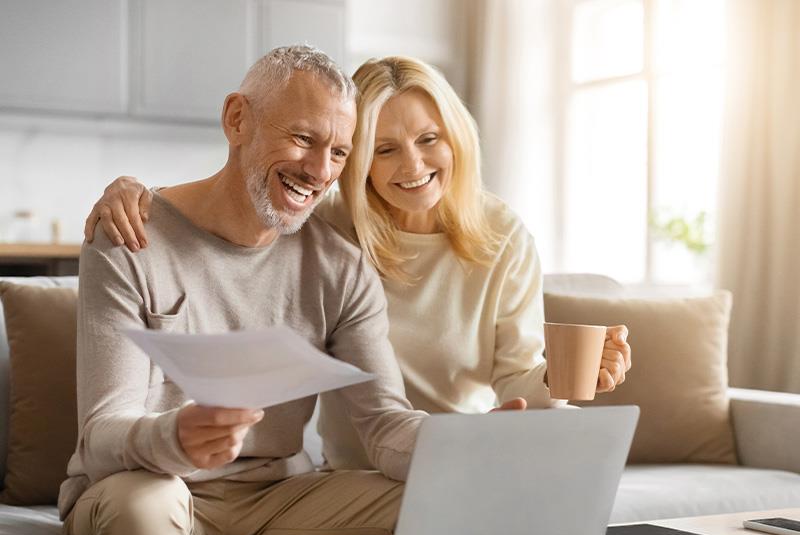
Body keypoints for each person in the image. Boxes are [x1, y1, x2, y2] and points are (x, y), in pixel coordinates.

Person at [62, 46, 531, 535]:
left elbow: (385, 425)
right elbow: (103, 430)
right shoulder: (131, 234)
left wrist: (468, 443)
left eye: (338, 153)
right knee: (145, 510)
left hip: (278, 496)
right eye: (303, 139)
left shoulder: (340, 266)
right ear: (237, 119)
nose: (317, 170)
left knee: (458, 504)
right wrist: (174, 436)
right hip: (150, 485)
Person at [84, 55, 631, 471]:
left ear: (457, 140)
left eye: (429, 139)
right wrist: (132, 191)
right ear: (358, 162)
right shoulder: (327, 227)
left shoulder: (501, 235)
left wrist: (566, 376)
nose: (413, 165)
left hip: (463, 446)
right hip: (361, 465)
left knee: (566, 426)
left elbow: (516, 372)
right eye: (384, 149)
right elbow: (241, 197)